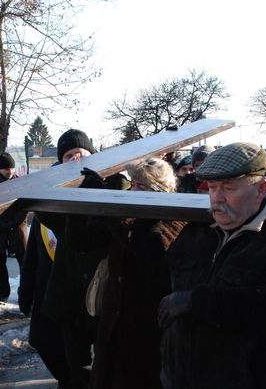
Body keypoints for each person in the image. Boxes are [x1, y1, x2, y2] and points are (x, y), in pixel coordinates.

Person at [158, 141, 266, 389]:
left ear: (261, 188)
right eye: (212, 187)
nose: (217, 198)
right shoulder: (197, 234)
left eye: (228, 188)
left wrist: (198, 301)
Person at [90, 157, 187, 389]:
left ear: (159, 190)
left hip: (149, 332)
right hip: (116, 325)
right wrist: (96, 198)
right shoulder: (131, 219)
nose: (133, 189)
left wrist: (139, 222)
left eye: (140, 186)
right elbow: (85, 241)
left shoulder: (175, 222)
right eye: (133, 183)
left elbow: (154, 268)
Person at [37, 128, 112, 387]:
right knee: (74, 359)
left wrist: (99, 190)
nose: (75, 161)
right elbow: (49, 219)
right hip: (68, 290)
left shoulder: (112, 181)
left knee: (107, 359)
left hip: (104, 287)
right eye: (68, 156)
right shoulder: (56, 191)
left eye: (79, 153)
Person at [18, 215, 73, 387]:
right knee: (44, 345)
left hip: (75, 298)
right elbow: (31, 258)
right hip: (45, 296)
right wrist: (25, 294)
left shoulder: (82, 210)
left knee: (73, 354)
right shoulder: (42, 216)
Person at [0, 152, 29, 302]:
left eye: (11, 168)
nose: (9, 171)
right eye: (6, 169)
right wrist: (0, 223)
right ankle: (3, 292)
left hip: (18, 228)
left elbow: (25, 206)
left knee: (24, 262)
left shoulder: (22, 182)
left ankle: (26, 292)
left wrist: (14, 222)